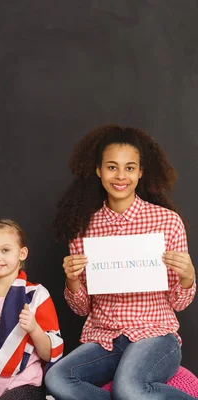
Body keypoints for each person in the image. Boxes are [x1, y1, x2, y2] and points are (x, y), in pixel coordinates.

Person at [46, 124, 196, 399]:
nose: (120, 176)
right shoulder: (84, 227)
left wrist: (188, 277)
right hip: (104, 340)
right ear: (98, 170)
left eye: (129, 168)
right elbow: (81, 309)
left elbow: (179, 303)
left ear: (140, 172)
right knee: (57, 378)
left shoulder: (167, 222)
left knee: (128, 388)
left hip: (156, 335)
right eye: (112, 167)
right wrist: (72, 280)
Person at [0, 220, 63, 400]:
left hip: (24, 384)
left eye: (5, 250)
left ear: (22, 253)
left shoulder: (36, 296)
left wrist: (34, 329)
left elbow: (49, 353)